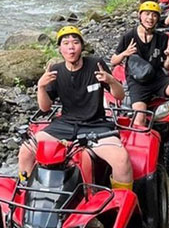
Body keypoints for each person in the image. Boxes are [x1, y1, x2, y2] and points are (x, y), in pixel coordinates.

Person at [17, 26, 133, 190]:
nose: (71, 47)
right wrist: (41, 87)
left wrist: (111, 81)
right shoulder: (55, 70)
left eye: (75, 42)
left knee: (122, 160)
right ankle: (24, 194)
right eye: (66, 43)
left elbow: (120, 96)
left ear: (82, 46)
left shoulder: (96, 64)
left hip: (96, 124)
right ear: (60, 48)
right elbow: (45, 107)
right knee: (25, 150)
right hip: (65, 125)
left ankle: (121, 206)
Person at [108, 2, 169, 147]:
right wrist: (125, 53)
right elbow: (113, 61)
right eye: (147, 14)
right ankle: (140, 149)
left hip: (158, 78)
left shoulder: (162, 38)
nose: (151, 18)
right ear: (140, 16)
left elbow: (167, 68)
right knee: (140, 118)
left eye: (154, 15)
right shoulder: (128, 36)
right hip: (137, 83)